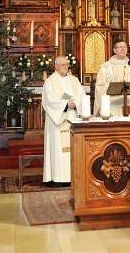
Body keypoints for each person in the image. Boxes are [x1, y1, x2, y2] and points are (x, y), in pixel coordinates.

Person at [42, 56, 85, 186]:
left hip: (73, 117)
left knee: (73, 148)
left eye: (67, 64)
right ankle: (57, 178)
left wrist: (75, 103)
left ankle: (74, 177)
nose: (65, 67)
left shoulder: (74, 80)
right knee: (58, 149)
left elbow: (81, 95)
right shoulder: (50, 82)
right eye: (62, 64)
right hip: (58, 119)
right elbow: (49, 100)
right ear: (55, 66)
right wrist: (66, 104)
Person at [94, 41, 130, 116]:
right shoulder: (105, 67)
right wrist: (116, 86)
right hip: (112, 98)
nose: (123, 49)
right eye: (120, 47)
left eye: (125, 47)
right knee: (108, 102)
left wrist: (128, 84)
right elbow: (100, 86)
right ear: (114, 50)